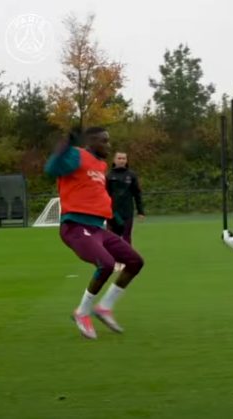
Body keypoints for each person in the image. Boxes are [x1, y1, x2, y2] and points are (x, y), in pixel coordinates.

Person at [45, 127, 145, 339]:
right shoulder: (77, 155)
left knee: (135, 261)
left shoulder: (100, 166)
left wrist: (115, 220)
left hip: (98, 229)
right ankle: (82, 312)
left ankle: (104, 307)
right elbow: (52, 168)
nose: (109, 145)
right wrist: (65, 145)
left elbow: (98, 196)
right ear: (91, 142)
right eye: (104, 141)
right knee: (107, 264)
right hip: (75, 227)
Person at [106, 151, 145, 245]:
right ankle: (113, 257)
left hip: (127, 212)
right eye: (119, 158)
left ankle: (127, 258)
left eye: (124, 158)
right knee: (112, 236)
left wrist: (141, 211)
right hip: (113, 212)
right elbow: (105, 194)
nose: (121, 160)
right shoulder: (109, 175)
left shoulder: (131, 175)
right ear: (114, 160)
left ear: (126, 161)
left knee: (126, 236)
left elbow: (137, 194)